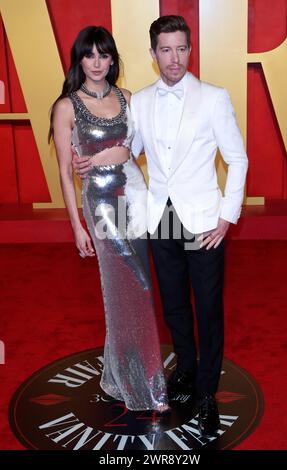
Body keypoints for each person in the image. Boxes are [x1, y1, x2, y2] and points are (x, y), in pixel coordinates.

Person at [73, 16, 248, 437]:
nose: (174, 58)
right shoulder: (142, 101)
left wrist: (227, 216)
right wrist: (92, 159)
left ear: (191, 49)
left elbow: (237, 159)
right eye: (165, 50)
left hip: (205, 220)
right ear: (153, 55)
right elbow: (129, 152)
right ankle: (185, 371)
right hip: (162, 217)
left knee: (207, 309)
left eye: (181, 48)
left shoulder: (214, 97)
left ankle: (206, 393)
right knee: (173, 306)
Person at [49, 25, 169, 413]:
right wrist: (76, 225)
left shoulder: (128, 97)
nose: (97, 63)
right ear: (79, 60)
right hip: (100, 203)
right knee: (130, 288)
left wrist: (105, 156)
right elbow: (66, 173)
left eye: (104, 55)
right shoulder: (67, 106)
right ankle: (141, 386)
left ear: (113, 59)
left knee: (136, 289)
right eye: (90, 55)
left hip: (134, 195)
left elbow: (132, 152)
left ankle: (117, 377)